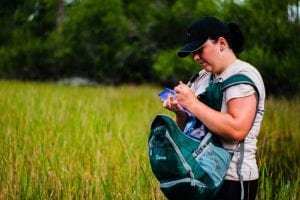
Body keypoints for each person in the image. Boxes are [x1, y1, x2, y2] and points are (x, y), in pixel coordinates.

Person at [162, 16, 265, 200]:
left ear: (222, 43)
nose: (195, 57)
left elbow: (237, 129)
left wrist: (193, 103)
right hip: (200, 175)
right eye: (193, 52)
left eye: (199, 49)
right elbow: (188, 131)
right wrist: (181, 113)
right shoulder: (201, 77)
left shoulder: (242, 76)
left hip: (233, 181)